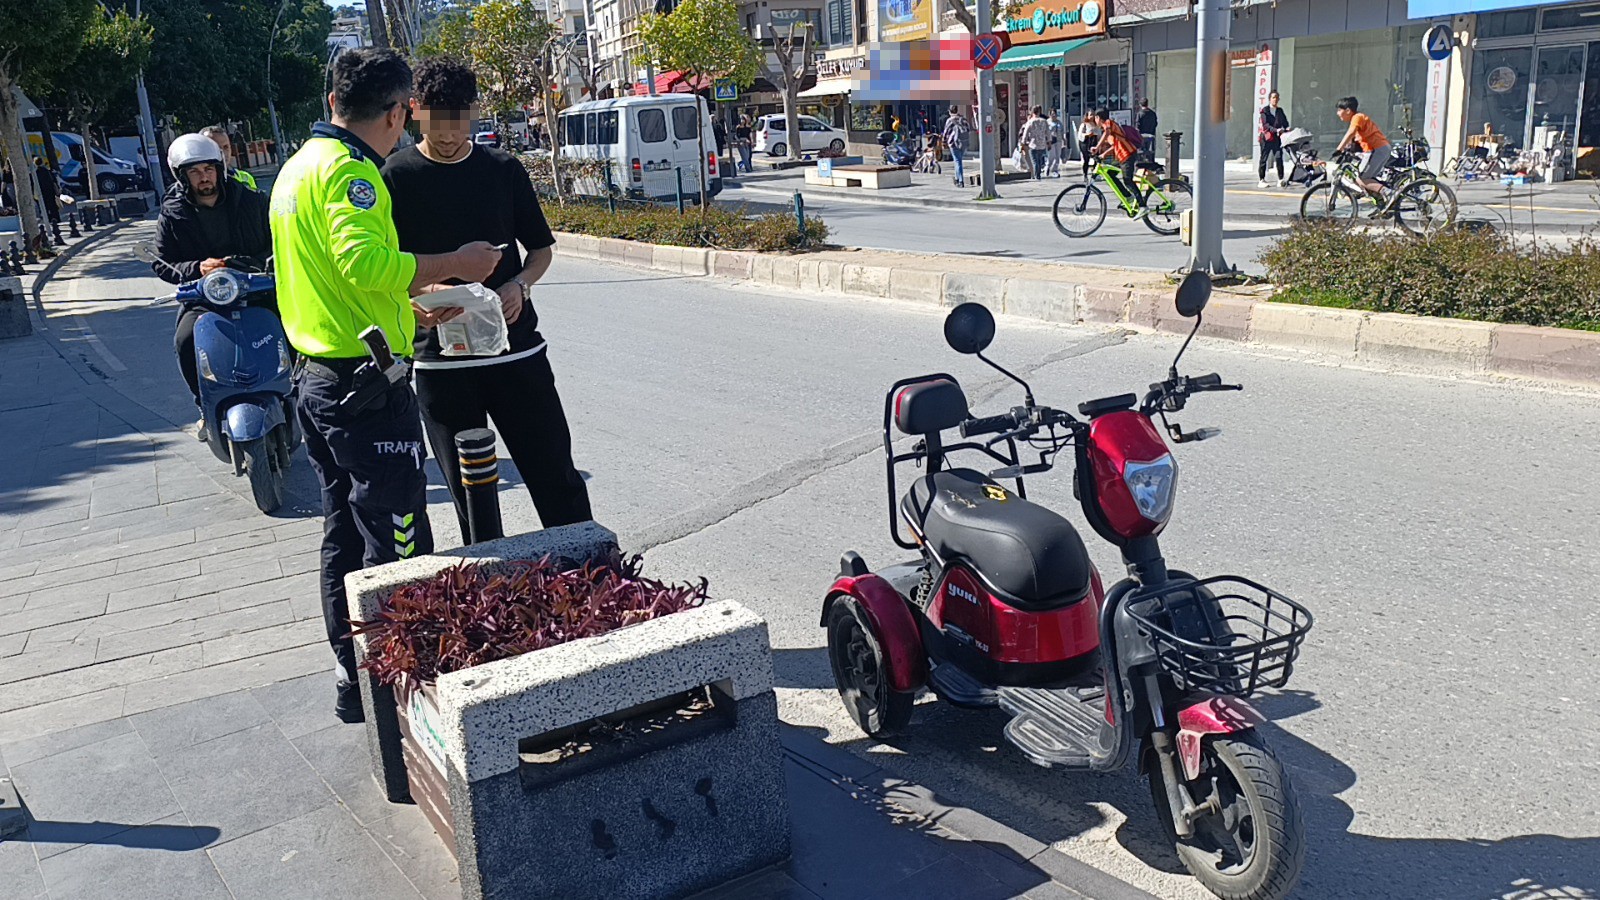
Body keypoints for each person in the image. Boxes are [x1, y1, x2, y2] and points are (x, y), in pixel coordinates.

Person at [271, 48, 502, 723]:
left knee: (343, 532)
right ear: (400, 111)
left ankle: (355, 679)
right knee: (399, 538)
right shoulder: (351, 174)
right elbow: (363, 262)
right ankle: (408, 697)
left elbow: (332, 281)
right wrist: (456, 262)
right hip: (363, 386)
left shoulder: (296, 169)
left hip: (319, 376)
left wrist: (407, 307)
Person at [382, 56, 593, 548]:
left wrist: (519, 285)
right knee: (470, 496)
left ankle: (589, 575)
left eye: (459, 122)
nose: (450, 134)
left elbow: (540, 252)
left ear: (473, 113)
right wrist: (422, 296)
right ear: (415, 111)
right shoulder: (394, 177)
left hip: (516, 353)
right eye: (438, 123)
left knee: (555, 474)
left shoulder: (502, 169)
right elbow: (386, 271)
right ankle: (490, 591)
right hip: (442, 363)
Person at [151, 133, 273, 423]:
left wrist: (249, 263)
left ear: (220, 168)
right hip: (203, 296)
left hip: (255, 289)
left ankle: (294, 391)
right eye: (194, 172)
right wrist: (197, 268)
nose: (203, 178)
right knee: (184, 340)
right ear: (182, 176)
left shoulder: (252, 201)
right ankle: (204, 406)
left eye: (208, 170)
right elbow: (162, 261)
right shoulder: (172, 213)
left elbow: (278, 241)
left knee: (291, 329)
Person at [1333, 96, 1390, 213]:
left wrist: (1339, 149)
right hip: (1380, 149)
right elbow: (1353, 139)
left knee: (1362, 179)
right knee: (1366, 179)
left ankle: (1388, 193)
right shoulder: (1357, 119)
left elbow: (1351, 133)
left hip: (1376, 149)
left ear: (1348, 110)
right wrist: (1346, 150)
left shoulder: (1357, 117)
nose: (1337, 113)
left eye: (1339, 110)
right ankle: (1382, 204)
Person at [1091, 108, 1141, 211]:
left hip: (1128, 154)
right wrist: (1104, 154)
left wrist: (1097, 147)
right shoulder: (1110, 130)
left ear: (1097, 118)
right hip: (1120, 157)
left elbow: (1106, 132)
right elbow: (1115, 145)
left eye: (1095, 118)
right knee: (1110, 174)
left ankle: (1142, 205)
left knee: (1128, 181)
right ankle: (1128, 197)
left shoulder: (1109, 123)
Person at [200, 126, 258, 192]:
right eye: (217, 148)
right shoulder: (198, 181)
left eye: (226, 147)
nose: (223, 153)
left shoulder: (246, 178)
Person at [1258, 91, 1289, 187]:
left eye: (1277, 98)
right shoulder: (1265, 111)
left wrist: (1286, 128)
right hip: (1266, 138)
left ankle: (1280, 179)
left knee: (1279, 157)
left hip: (1276, 138)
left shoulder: (1280, 111)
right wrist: (1276, 130)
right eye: (1273, 97)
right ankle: (1261, 179)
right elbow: (1266, 125)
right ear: (1269, 99)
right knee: (1264, 158)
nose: (1275, 99)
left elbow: (1285, 122)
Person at [941, 104, 971, 186]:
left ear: (950, 112)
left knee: (958, 161)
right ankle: (957, 178)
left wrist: (944, 142)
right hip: (963, 142)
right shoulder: (963, 119)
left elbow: (946, 132)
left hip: (953, 143)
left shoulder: (950, 121)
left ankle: (960, 181)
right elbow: (968, 129)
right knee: (958, 160)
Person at [1020, 106, 1052, 181]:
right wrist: (1049, 142)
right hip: (1042, 144)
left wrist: (1023, 143)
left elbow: (1025, 133)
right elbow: (1048, 133)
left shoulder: (1030, 122)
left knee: (1035, 161)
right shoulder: (1044, 121)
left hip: (1033, 144)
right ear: (1039, 112)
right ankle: (1038, 173)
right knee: (1040, 160)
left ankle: (1036, 175)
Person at [33, 157, 59, 225]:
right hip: (50, 190)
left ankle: (48, 219)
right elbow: (53, 181)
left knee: (44, 206)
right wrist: (57, 190)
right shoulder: (47, 171)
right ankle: (56, 218)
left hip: (42, 191)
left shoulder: (35, 173)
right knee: (53, 205)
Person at [1076, 113, 1101, 179]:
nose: (1092, 116)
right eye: (1090, 115)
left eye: (1093, 115)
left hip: (1094, 142)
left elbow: (1099, 134)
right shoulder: (1084, 125)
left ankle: (1095, 173)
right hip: (1086, 143)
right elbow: (1080, 135)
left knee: (1096, 159)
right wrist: (1087, 135)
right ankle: (1085, 175)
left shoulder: (1096, 125)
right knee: (1086, 160)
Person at [1047, 111, 1065, 177]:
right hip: (1051, 141)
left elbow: (1062, 131)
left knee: (1057, 156)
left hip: (1058, 141)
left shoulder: (1059, 122)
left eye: (1055, 114)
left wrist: (1064, 139)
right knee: (1052, 156)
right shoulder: (1047, 122)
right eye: (1052, 114)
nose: (1054, 116)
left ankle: (1055, 170)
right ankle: (1048, 167)